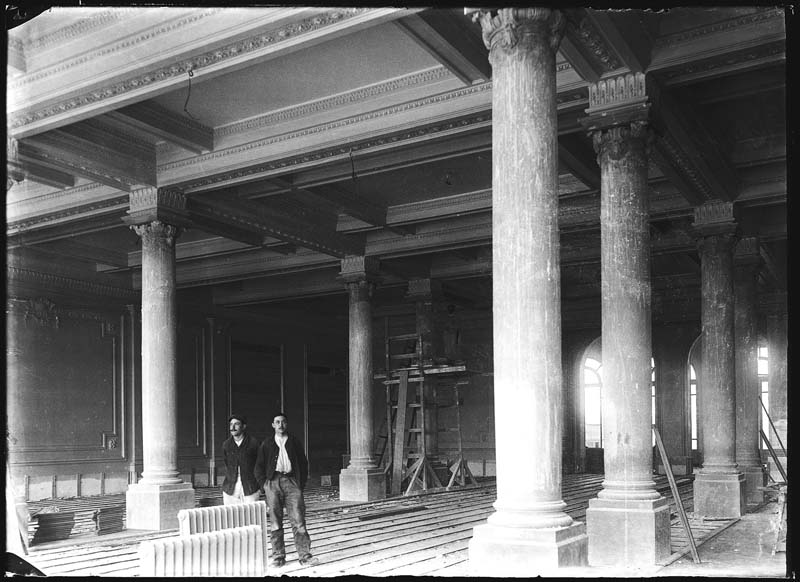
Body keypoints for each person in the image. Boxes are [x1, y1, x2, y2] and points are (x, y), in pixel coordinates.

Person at [255, 412, 318, 568]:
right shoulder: (267, 443)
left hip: (291, 482)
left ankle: (305, 556)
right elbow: (258, 467)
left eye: (283, 422)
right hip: (273, 482)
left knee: (298, 520)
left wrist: (299, 484)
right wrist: (265, 485)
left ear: (286, 424)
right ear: (273, 425)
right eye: (277, 422)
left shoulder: (294, 442)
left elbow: (303, 464)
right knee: (275, 522)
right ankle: (278, 557)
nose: (280, 425)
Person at [221, 414, 261, 506]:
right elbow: (227, 463)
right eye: (231, 424)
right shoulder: (226, 445)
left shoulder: (254, 443)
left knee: (251, 516)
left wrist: (260, 486)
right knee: (231, 516)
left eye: (236, 424)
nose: (233, 427)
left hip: (250, 487)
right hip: (230, 487)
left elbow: (260, 465)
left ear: (244, 426)